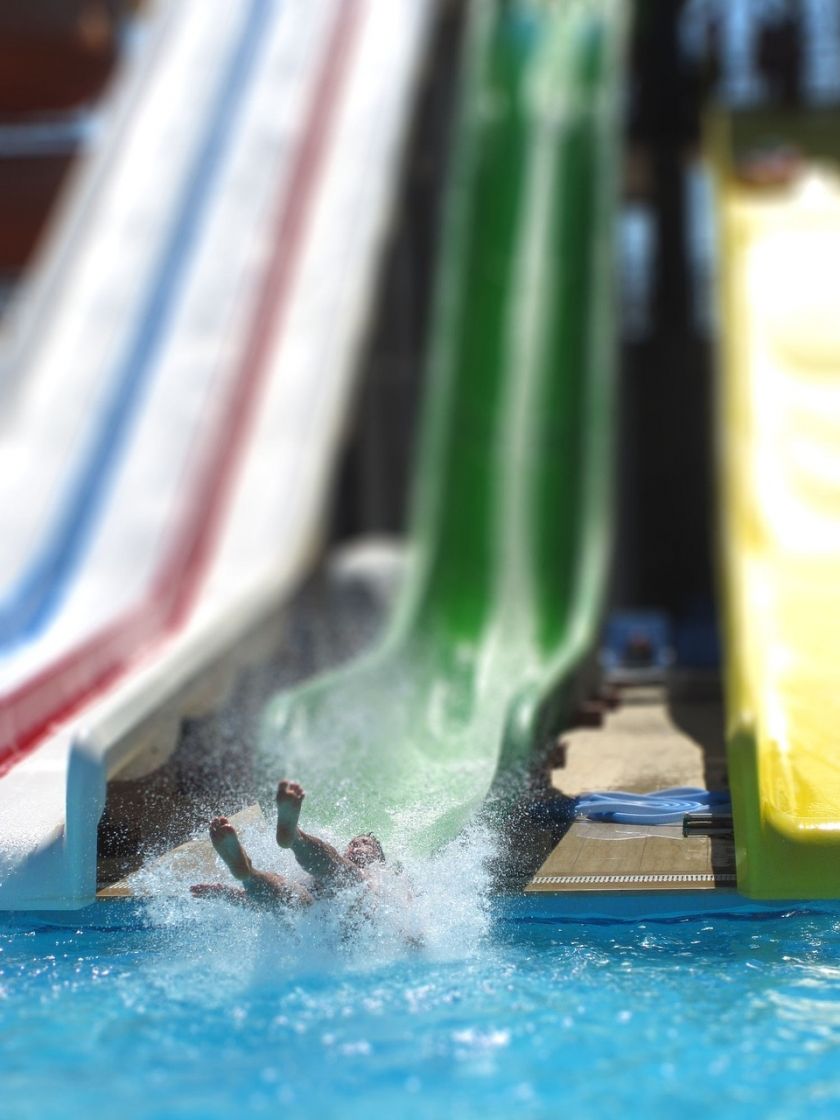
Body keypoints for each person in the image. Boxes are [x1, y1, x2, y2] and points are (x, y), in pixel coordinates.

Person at [190, 779, 386, 912]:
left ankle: (253, 870)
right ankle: (288, 840)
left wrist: (225, 894)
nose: (357, 845)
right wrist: (231, 893)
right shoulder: (322, 873)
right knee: (293, 895)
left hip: (345, 913)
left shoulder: (384, 877)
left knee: (349, 877)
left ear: (379, 858)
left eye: (366, 843)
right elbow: (270, 897)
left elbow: (410, 917)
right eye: (353, 843)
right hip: (317, 920)